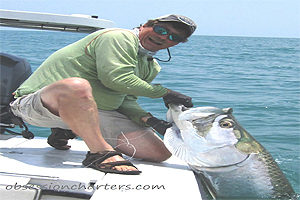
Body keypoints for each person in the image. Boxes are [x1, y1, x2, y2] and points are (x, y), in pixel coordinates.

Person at [10, 14, 197, 175]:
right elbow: (116, 79)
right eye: (161, 30)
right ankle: (99, 153)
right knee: (76, 86)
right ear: (146, 25)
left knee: (159, 153)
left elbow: (127, 99)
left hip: (92, 111)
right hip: (35, 106)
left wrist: (149, 120)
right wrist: (165, 93)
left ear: (176, 43)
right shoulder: (118, 37)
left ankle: (70, 127)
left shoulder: (151, 65)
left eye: (174, 37)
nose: (164, 37)